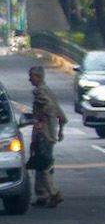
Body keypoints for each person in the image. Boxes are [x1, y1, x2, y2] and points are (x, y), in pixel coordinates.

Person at [24, 62, 64, 208]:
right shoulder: (48, 90)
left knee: (42, 164)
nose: (29, 80)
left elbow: (49, 106)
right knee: (42, 162)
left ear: (37, 77)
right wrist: (61, 129)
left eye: (31, 77)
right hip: (51, 132)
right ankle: (43, 195)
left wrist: (40, 120)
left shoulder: (40, 92)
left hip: (44, 133)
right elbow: (60, 112)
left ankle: (53, 192)